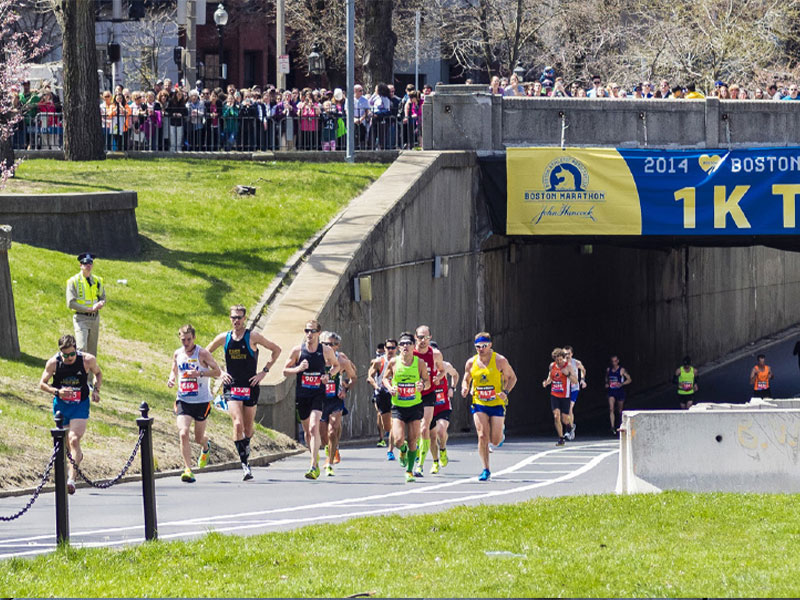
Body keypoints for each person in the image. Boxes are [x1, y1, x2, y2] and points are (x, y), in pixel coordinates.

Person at [206, 304, 282, 481]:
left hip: (250, 386)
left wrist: (264, 372)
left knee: (248, 429)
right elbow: (205, 353)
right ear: (230, 318)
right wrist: (220, 372)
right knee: (237, 424)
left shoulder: (252, 337)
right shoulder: (224, 338)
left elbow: (276, 350)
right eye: (233, 317)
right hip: (232, 387)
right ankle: (244, 465)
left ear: (244, 319)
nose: (236, 321)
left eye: (239, 317)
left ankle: (245, 446)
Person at [39, 334, 102, 495]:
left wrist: (96, 390)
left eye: (72, 354)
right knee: (68, 444)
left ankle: (71, 480)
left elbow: (98, 373)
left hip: (80, 405)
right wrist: (57, 392)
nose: (69, 358)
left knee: (74, 439)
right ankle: (77, 457)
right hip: (61, 406)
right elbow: (42, 384)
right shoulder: (54, 363)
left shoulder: (87, 360)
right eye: (65, 355)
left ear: (76, 349)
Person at [282, 320, 340, 480]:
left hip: (318, 394)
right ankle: (314, 456)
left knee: (314, 427)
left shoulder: (326, 350)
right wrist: (298, 369)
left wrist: (329, 375)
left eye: (312, 331)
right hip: (302, 395)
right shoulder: (298, 351)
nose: (309, 334)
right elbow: (285, 371)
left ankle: (314, 465)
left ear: (318, 333)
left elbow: (336, 366)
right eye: (307, 330)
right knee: (308, 432)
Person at [167, 324, 222, 483]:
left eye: (189, 340)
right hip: (183, 399)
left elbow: (217, 372)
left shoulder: (202, 353)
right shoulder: (178, 353)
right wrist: (171, 378)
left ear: (194, 338)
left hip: (201, 401)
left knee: (198, 438)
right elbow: (174, 369)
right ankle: (188, 469)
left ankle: (206, 446)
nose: (186, 343)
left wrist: (200, 373)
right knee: (183, 433)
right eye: (183, 340)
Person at [461, 331, 517, 481]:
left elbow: (512, 378)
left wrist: (505, 391)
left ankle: (500, 435)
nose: (481, 349)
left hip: (497, 403)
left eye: (484, 346)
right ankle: (486, 469)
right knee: (482, 435)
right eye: (478, 346)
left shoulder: (500, 360)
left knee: (495, 440)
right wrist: (465, 387)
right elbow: (466, 379)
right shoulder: (471, 362)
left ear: (490, 345)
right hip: (479, 402)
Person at [383, 332, 429, 483]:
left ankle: (409, 471)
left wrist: (422, 385)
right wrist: (390, 387)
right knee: (398, 440)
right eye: (402, 344)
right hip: (399, 406)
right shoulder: (394, 362)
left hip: (415, 405)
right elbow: (385, 378)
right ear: (399, 348)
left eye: (408, 343)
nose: (405, 346)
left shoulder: (419, 363)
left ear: (413, 346)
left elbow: (427, 382)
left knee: (413, 439)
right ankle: (402, 451)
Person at [319, 331, 357, 476]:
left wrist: (345, 389)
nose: (329, 347)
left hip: (335, 399)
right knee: (323, 436)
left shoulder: (342, 360)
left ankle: (329, 461)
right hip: (320, 399)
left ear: (337, 346)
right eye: (326, 344)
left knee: (333, 430)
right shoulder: (316, 358)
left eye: (333, 344)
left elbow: (353, 377)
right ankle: (330, 449)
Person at [413, 325, 445, 478]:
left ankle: (420, 465)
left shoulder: (435, 354)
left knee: (424, 429)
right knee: (428, 435)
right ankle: (435, 459)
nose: (423, 340)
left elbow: (442, 370)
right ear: (415, 337)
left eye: (426, 337)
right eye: (420, 337)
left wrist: (438, 377)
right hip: (412, 396)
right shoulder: (409, 353)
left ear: (430, 338)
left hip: (428, 394)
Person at [66, 253, 106, 357]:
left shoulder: (98, 281)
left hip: (94, 319)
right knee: (81, 348)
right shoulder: (73, 281)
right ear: (80, 265)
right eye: (85, 263)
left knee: (92, 354)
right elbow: (70, 303)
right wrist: (89, 309)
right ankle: (78, 372)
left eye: (90, 263)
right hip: (81, 318)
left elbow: (103, 297)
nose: (88, 265)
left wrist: (101, 303)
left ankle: (89, 374)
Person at [428, 341, 459, 475]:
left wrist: (452, 388)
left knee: (441, 431)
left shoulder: (445, 366)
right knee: (432, 436)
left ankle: (443, 449)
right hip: (429, 406)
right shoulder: (422, 367)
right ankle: (435, 462)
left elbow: (455, 374)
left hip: (443, 404)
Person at [368, 338, 397, 459]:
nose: (390, 350)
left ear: (396, 349)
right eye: (388, 348)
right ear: (384, 349)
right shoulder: (379, 361)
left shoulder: (401, 361)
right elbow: (370, 376)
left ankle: (391, 450)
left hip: (396, 394)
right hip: (382, 394)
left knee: (395, 421)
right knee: (387, 426)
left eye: (392, 348)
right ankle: (396, 441)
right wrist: (376, 386)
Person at [542, 348, 578, 446]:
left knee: (564, 418)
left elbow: (575, 381)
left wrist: (568, 374)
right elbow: (550, 378)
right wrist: (546, 383)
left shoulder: (568, 366)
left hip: (565, 395)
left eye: (561, 359)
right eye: (557, 360)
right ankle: (561, 438)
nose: (559, 362)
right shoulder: (552, 366)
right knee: (556, 416)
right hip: (555, 394)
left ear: (563, 358)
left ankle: (570, 426)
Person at [563, 346, 586, 440]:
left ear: (571, 354)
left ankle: (569, 430)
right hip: (565, 389)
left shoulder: (576, 363)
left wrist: (583, 380)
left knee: (569, 408)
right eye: (565, 354)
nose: (567, 355)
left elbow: (583, 370)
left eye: (568, 353)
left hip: (574, 388)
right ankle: (571, 426)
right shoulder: (560, 363)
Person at [605, 355, 632, 435]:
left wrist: (622, 384)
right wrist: (607, 383)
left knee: (620, 410)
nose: (614, 363)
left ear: (618, 361)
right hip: (611, 391)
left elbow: (629, 379)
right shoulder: (609, 370)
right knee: (611, 408)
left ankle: (621, 424)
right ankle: (612, 427)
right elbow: (607, 378)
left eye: (615, 361)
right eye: (612, 361)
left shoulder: (622, 370)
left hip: (619, 391)